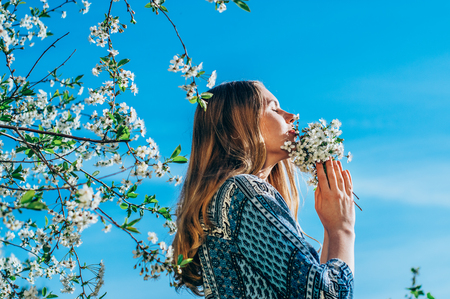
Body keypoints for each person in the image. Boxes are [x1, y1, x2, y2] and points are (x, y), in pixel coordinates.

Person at [172, 81, 355, 298]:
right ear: (237, 125)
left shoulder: (229, 199)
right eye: (273, 108)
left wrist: (329, 228)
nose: (291, 116)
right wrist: (342, 230)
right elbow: (325, 294)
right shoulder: (241, 193)